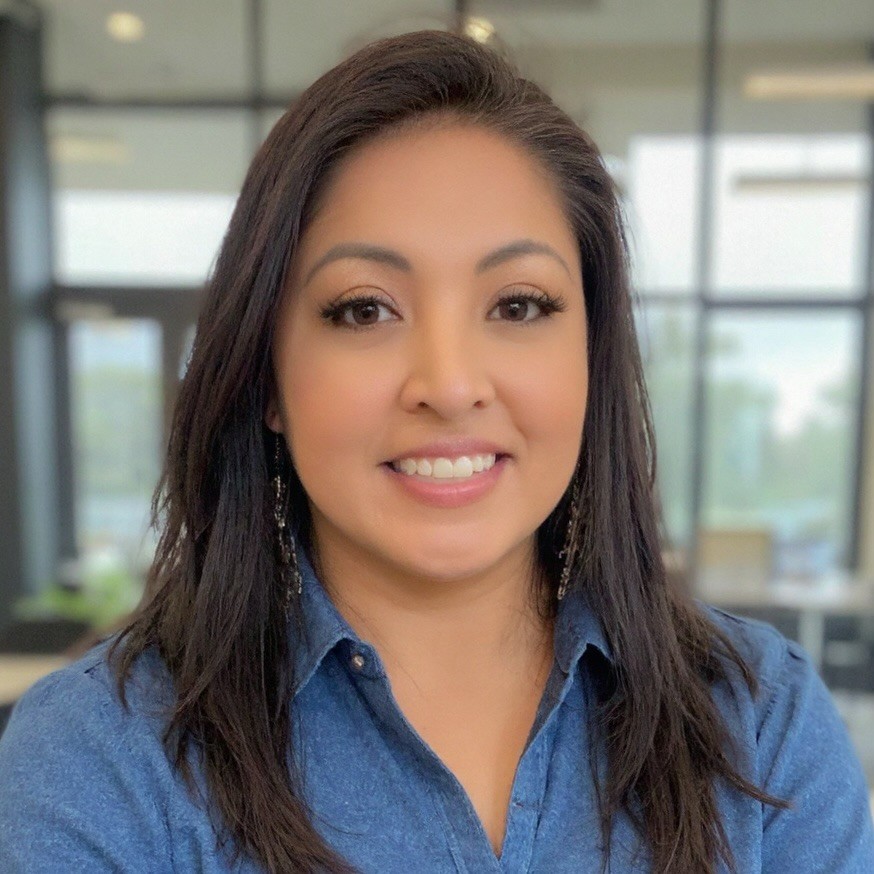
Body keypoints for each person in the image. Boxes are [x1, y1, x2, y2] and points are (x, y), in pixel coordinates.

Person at [1, 28, 872, 874]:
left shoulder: (760, 721)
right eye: (364, 309)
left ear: (592, 359)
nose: (450, 386)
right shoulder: (100, 758)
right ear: (267, 377)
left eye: (520, 305)